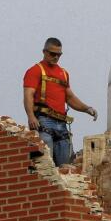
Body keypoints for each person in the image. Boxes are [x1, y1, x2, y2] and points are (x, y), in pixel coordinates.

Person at [23, 37, 97, 166]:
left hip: (61, 124)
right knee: (45, 164)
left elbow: (69, 97)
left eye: (59, 54)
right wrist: (31, 116)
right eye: (53, 54)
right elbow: (28, 95)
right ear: (44, 52)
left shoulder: (63, 73)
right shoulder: (35, 70)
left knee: (66, 166)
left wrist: (87, 108)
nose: (56, 57)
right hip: (44, 121)